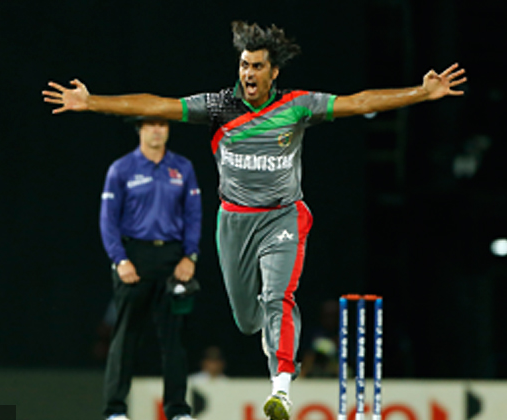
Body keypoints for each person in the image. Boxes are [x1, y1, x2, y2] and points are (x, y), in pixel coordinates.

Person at [43, 21, 466, 420]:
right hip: (234, 223)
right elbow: (158, 105)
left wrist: (421, 93)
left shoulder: (297, 106)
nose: (248, 73)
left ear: (273, 72)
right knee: (248, 320)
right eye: (244, 64)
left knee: (278, 297)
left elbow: (360, 102)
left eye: (257, 66)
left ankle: (280, 385)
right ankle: (272, 339)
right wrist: (91, 102)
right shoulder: (219, 107)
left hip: (283, 217)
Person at [99, 117, 202, 420]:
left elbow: (194, 216)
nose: (157, 130)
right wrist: (120, 259)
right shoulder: (122, 169)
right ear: (139, 130)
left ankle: (177, 411)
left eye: (162, 124)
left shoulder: (182, 167)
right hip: (135, 257)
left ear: (168, 130)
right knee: (126, 336)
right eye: (150, 125)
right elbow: (108, 220)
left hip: (173, 259)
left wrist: (190, 257)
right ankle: (115, 410)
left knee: (174, 340)